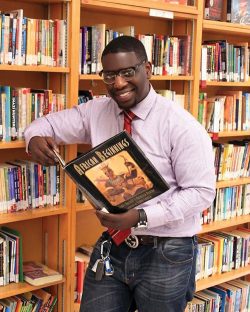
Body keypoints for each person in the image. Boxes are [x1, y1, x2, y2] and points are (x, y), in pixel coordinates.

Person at [24, 36, 216, 312]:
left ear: (147, 69)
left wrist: (140, 217)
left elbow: (201, 192)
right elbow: (47, 125)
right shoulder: (97, 111)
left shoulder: (181, 126)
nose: (119, 83)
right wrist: (34, 138)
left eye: (128, 72)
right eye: (110, 75)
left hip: (167, 250)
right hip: (114, 247)